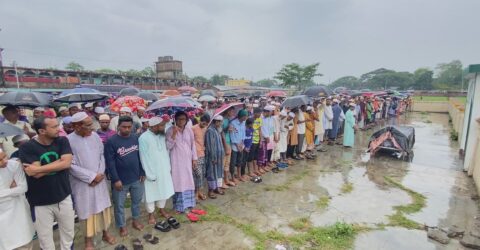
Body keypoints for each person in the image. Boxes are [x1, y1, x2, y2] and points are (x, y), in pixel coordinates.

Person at [18, 116, 75, 250]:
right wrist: (59, 163)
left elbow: (66, 163)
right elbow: (35, 175)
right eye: (54, 127)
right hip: (40, 202)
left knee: (68, 233)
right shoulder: (27, 147)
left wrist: (38, 168)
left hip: (63, 196)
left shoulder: (62, 141)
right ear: (42, 131)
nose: (59, 129)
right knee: (45, 239)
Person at [68, 112, 116, 249]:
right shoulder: (68, 140)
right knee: (86, 211)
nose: (93, 128)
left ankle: (106, 233)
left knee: (103, 208)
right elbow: (70, 165)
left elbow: (102, 155)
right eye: (88, 125)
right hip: (83, 184)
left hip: (99, 180)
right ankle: (88, 241)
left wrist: (99, 174)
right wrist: (90, 177)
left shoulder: (95, 136)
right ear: (77, 126)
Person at [104, 116, 145, 237]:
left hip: (136, 178)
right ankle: (121, 226)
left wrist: (142, 172)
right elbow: (110, 162)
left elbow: (140, 157)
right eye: (124, 127)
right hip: (120, 181)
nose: (127, 129)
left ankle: (135, 221)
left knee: (136, 202)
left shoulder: (135, 138)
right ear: (118, 127)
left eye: (129, 127)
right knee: (119, 205)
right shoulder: (111, 142)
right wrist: (115, 179)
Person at [139, 116, 177, 226]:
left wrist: (168, 168)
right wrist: (149, 173)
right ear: (154, 126)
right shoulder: (143, 138)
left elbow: (167, 149)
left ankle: (162, 210)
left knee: (163, 191)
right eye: (162, 126)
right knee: (151, 194)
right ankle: (151, 214)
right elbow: (143, 157)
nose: (164, 127)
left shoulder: (162, 136)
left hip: (164, 169)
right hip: (151, 171)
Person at [166, 111, 200, 221]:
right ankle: (179, 206)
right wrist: (174, 135)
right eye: (179, 119)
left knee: (189, 181)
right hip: (177, 162)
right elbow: (168, 146)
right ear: (175, 120)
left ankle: (189, 204)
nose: (181, 121)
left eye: (183, 119)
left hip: (187, 161)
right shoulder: (170, 130)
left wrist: (194, 158)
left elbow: (192, 145)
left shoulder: (189, 130)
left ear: (186, 120)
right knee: (179, 182)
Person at [0, 149, 35, 250]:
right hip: (2, 221)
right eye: (0, 160)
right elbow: (18, 190)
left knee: (25, 242)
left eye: (4, 156)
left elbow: (23, 188)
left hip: (19, 211)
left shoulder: (14, 165)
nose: (5, 161)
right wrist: (12, 190)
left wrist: (3, 192)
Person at [204, 115, 225, 199]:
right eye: (218, 121)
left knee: (219, 172)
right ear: (214, 121)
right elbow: (210, 146)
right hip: (213, 157)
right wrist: (213, 157)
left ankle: (217, 188)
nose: (219, 123)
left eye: (220, 121)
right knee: (212, 173)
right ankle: (211, 190)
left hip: (219, 156)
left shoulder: (217, 130)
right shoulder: (210, 130)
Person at [191, 114, 210, 201]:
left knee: (202, 174)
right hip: (195, 155)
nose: (204, 125)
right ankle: (195, 193)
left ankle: (200, 192)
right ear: (200, 121)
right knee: (197, 174)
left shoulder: (206, 129)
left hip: (203, 154)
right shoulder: (193, 128)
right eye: (203, 123)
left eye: (206, 124)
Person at [229, 110, 248, 183]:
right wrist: (237, 145)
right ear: (242, 116)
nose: (246, 117)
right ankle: (232, 177)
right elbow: (232, 135)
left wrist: (242, 143)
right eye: (245, 116)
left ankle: (239, 175)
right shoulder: (233, 123)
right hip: (234, 146)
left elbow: (243, 133)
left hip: (241, 145)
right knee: (233, 162)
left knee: (240, 161)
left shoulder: (243, 123)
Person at [249, 108, 263, 175]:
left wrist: (261, 140)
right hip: (251, 141)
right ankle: (250, 172)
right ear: (255, 113)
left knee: (255, 156)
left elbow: (260, 130)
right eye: (259, 113)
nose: (260, 114)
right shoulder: (250, 119)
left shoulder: (259, 119)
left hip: (257, 140)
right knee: (250, 157)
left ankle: (255, 169)